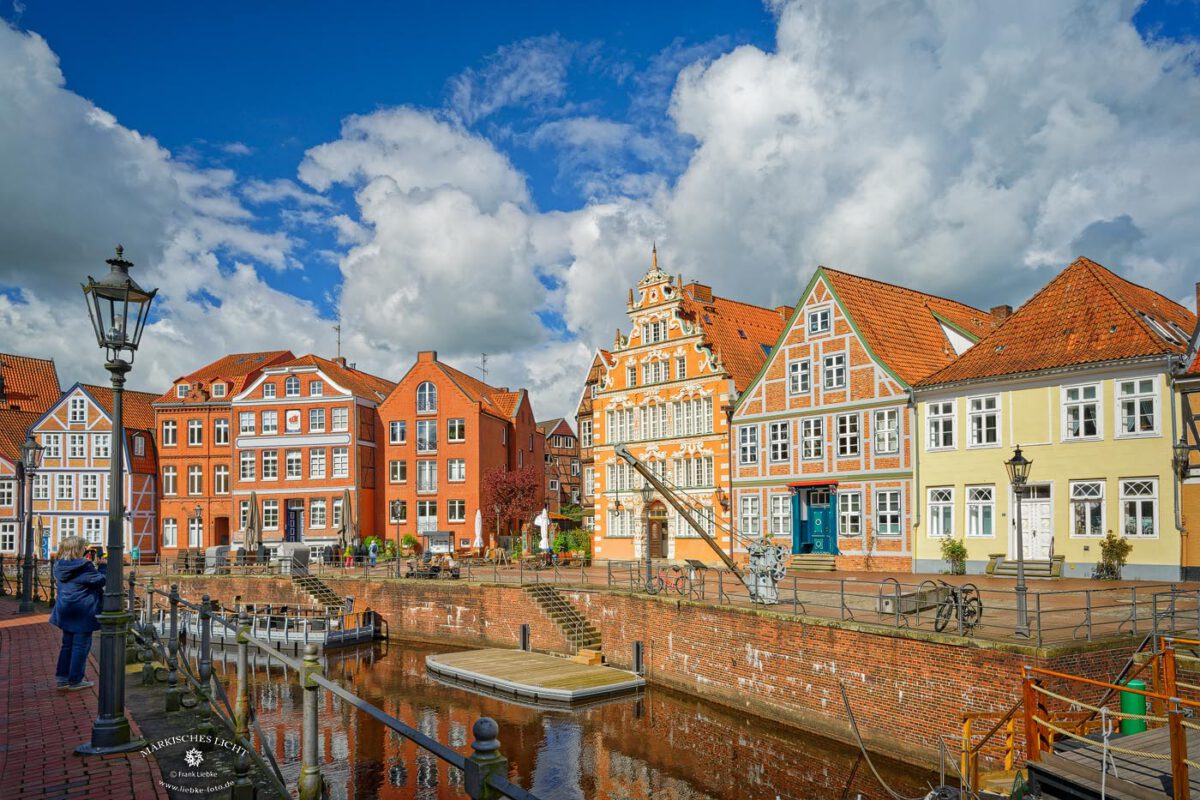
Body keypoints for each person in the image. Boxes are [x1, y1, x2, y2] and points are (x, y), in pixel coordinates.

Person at [50, 536, 105, 691]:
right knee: (80, 646)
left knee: (67, 645)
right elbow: (100, 580)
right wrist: (103, 567)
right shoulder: (84, 566)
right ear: (78, 549)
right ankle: (75, 680)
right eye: (83, 547)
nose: (85, 549)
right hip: (82, 611)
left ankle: (62, 678)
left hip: (65, 610)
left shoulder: (59, 565)